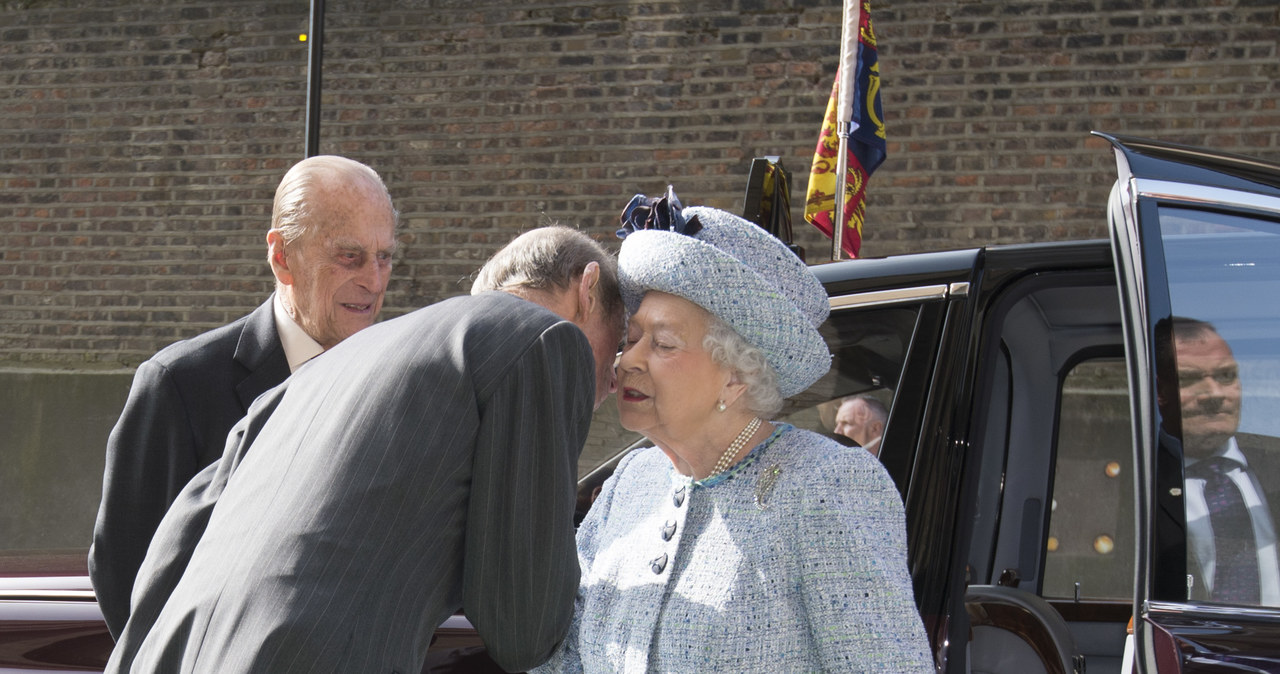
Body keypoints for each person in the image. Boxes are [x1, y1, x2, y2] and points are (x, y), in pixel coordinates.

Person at [104, 225, 625, 674]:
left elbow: (176, 540)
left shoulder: (333, 360)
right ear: (586, 289)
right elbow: (523, 626)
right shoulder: (547, 340)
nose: (611, 382)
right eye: (619, 346)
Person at [535, 189, 932, 672]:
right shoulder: (630, 483)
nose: (629, 359)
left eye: (662, 343)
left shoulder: (825, 486)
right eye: (632, 338)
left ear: (736, 374)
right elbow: (564, 655)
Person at [89, 154, 398, 639]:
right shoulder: (179, 386)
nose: (375, 281)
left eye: (384, 257)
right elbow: (126, 577)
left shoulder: (401, 382)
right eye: (349, 256)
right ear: (282, 257)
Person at [1165, 317, 1280, 605]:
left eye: (1226, 376)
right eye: (1189, 379)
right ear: (1158, 391)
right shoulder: (1138, 478)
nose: (1214, 395)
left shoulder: (1274, 465)